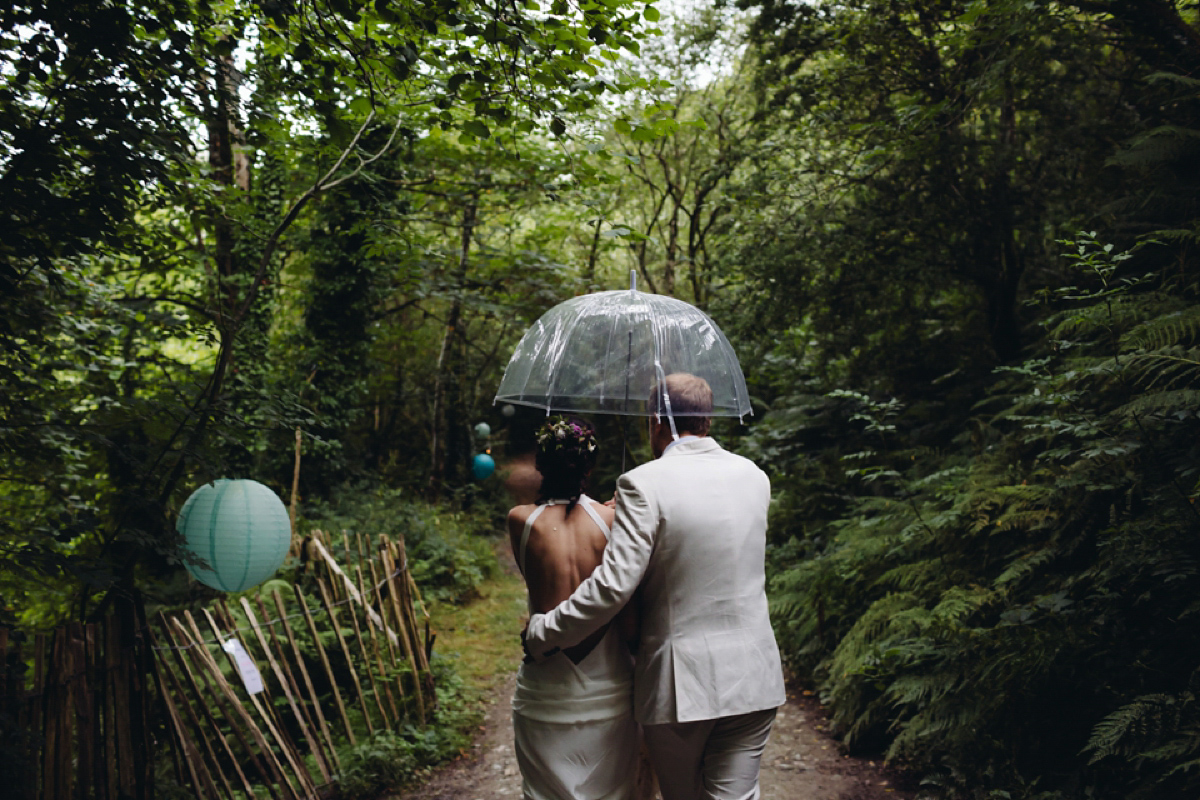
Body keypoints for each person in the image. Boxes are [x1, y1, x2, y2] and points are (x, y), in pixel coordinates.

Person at [523, 373, 786, 800]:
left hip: (681, 687)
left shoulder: (642, 483)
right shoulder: (754, 476)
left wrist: (544, 632)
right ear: (707, 420)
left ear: (657, 422)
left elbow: (612, 588)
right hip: (755, 677)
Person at [507, 416, 641, 800]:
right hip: (608, 688)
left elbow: (535, 580)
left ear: (540, 465)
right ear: (589, 467)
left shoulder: (520, 521)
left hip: (544, 687)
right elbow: (629, 623)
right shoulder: (613, 522)